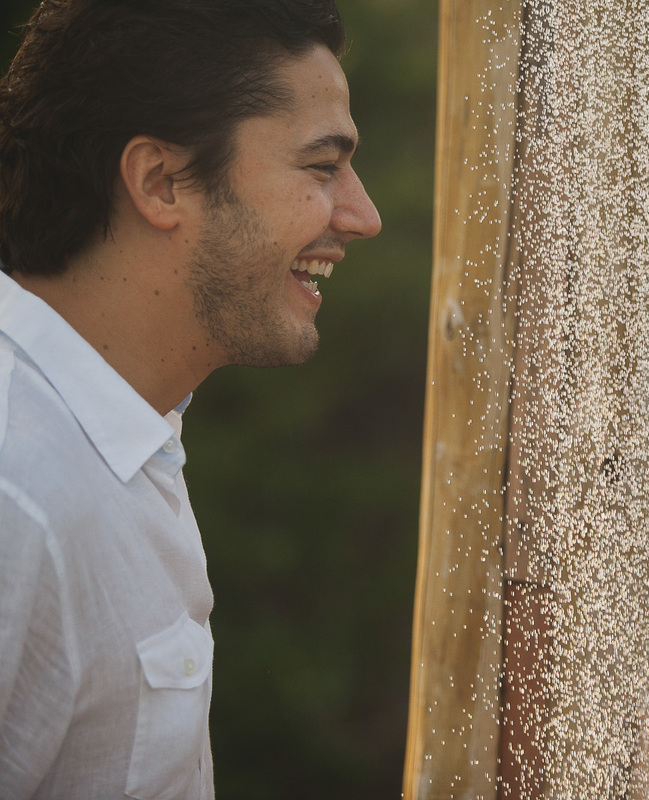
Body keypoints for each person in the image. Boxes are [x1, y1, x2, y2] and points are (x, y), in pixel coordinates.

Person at [0, 0, 380, 795]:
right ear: (160, 181)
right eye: (321, 166)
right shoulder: (18, 484)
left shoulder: (120, 440)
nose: (362, 215)